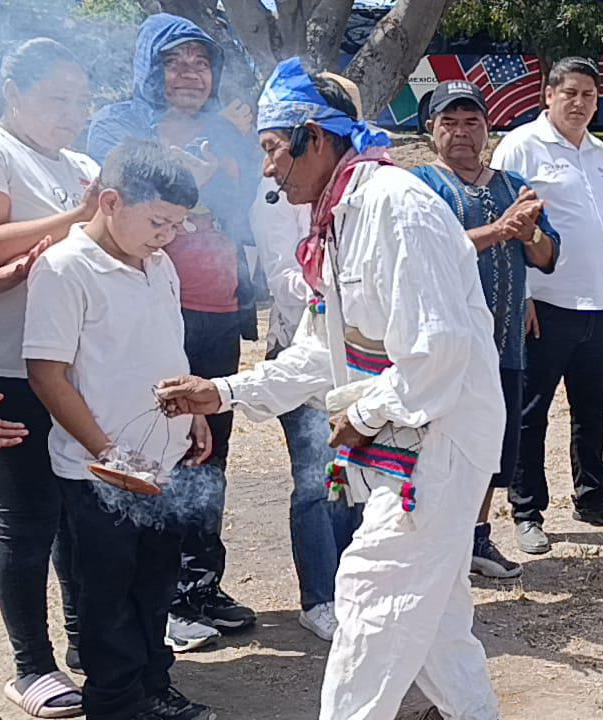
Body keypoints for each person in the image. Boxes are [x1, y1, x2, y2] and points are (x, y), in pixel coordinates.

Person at [156, 57, 504, 720]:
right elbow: (324, 352)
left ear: (313, 138)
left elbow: (440, 351)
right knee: (433, 620)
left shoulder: (395, 208)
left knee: (371, 596)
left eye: (271, 149)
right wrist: (223, 392)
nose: (266, 169)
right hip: (409, 435)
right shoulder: (341, 216)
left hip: (440, 439)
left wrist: (365, 415)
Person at [24, 140, 216, 720]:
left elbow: (169, 346)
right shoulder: (65, 268)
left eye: (177, 225)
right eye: (158, 222)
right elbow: (47, 374)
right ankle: (114, 702)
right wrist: (108, 452)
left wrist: (195, 409)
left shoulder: (159, 265)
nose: (168, 237)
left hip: (162, 463)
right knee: (107, 595)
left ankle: (153, 686)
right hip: (99, 472)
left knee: (155, 583)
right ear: (110, 201)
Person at [87, 13, 259, 647]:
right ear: (148, 68)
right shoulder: (117, 125)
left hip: (216, 311)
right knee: (151, 445)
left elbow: (247, 207)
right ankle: (155, 600)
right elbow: (134, 192)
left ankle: (198, 584)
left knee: (209, 452)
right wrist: (202, 173)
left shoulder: (228, 131)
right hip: (142, 313)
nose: (190, 74)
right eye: (174, 62)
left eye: (201, 63)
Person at [0, 38, 98, 719]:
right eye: (58, 98)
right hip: (5, 367)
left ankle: (85, 640)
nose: (73, 114)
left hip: (71, 369)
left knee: (75, 514)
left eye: (82, 101)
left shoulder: (80, 165)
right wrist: (78, 217)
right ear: (14, 92)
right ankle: (31, 666)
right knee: (27, 517)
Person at [490, 57, 603, 554]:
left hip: (598, 305)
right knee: (531, 411)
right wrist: (524, 295)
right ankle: (527, 511)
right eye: (570, 93)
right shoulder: (522, 146)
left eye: (588, 95)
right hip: (546, 303)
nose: (579, 103)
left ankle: (592, 497)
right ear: (548, 95)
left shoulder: (601, 153)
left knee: (592, 408)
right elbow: (508, 225)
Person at [411, 80, 560, 578]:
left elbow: (547, 256)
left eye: (471, 121)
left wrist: (529, 231)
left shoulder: (512, 185)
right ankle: (434, 544)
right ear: (430, 129)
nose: (461, 132)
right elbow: (428, 250)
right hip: (443, 347)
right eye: (449, 122)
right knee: (438, 447)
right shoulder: (419, 186)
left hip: (504, 344)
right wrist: (499, 230)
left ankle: (475, 538)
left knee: (490, 447)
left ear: (487, 128)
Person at [246, 72, 365, 641]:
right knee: (317, 480)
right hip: (302, 350)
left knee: (351, 476)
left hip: (349, 355)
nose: (271, 164)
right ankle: (319, 597)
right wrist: (340, 280)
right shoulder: (276, 198)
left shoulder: (360, 193)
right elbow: (286, 283)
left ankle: (351, 585)